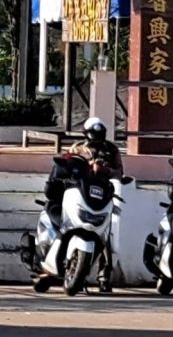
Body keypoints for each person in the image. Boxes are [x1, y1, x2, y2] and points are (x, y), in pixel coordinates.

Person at [67, 116, 123, 292]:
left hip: (103, 196)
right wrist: (87, 166)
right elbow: (67, 167)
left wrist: (104, 170)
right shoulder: (77, 148)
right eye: (93, 132)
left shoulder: (111, 150)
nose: (97, 137)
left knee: (106, 236)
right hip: (81, 194)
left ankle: (104, 276)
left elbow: (119, 173)